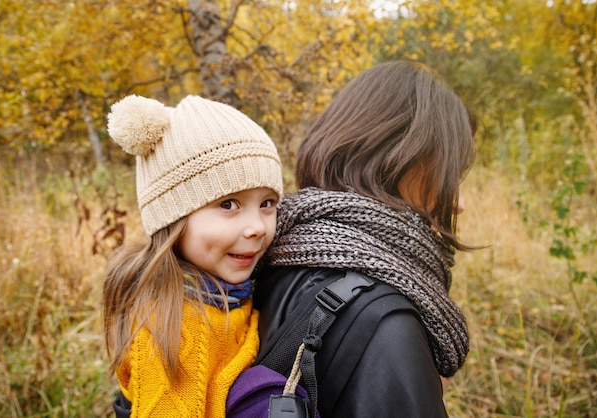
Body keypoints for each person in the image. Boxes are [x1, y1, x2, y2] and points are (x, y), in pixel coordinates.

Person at [253, 60, 477, 417]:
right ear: (402, 159)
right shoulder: (385, 325)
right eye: (448, 174)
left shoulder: (272, 254)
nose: (460, 204)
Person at [103, 94, 283, 417]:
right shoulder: (174, 330)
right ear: (173, 219)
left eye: (267, 203)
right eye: (228, 204)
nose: (257, 227)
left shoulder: (226, 290)